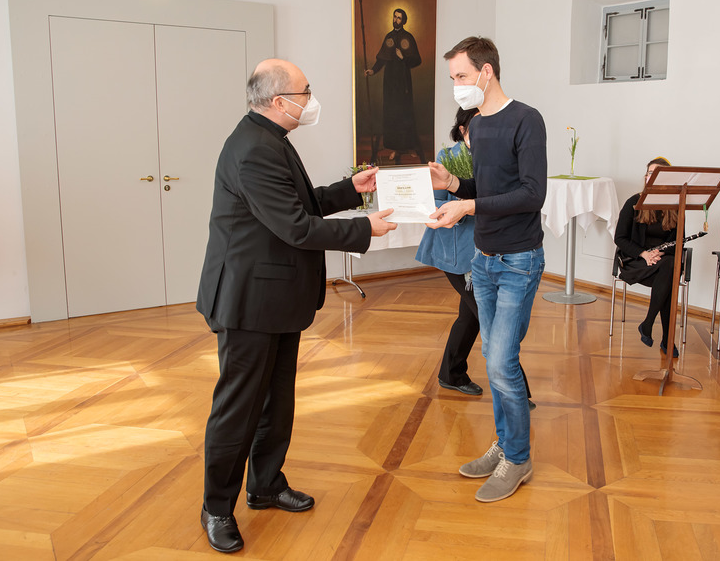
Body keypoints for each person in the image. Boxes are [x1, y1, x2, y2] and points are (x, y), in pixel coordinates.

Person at [196, 58, 397, 554]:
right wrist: (364, 228)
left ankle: (265, 485)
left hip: (275, 297)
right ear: (278, 100)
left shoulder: (271, 138)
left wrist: (350, 191)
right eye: (305, 92)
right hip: (248, 301)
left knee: (275, 401)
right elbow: (296, 227)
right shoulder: (253, 150)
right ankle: (216, 508)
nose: (311, 100)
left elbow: (299, 204)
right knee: (238, 409)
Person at [428, 36, 547, 503]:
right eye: (453, 78)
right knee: (495, 362)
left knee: (501, 361)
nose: (456, 85)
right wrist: (455, 184)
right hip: (483, 259)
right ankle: (504, 445)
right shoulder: (476, 124)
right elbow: (490, 187)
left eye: (460, 75)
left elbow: (532, 194)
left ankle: (518, 458)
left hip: (518, 260)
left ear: (486, 72)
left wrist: (469, 205)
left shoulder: (526, 119)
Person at [416, 107, 535, 404]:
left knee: (470, 316)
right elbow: (434, 208)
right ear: (463, 130)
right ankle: (517, 394)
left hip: (491, 251)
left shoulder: (497, 157)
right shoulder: (447, 158)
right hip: (458, 255)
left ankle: (451, 373)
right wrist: (466, 207)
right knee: (492, 319)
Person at [613, 157, 681, 358]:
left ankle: (649, 323)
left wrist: (660, 253)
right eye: (649, 173)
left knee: (669, 266)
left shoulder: (675, 207)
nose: (650, 176)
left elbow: (677, 242)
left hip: (661, 261)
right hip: (635, 262)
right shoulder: (633, 202)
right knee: (669, 275)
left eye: (656, 173)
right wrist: (644, 254)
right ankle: (665, 339)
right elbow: (620, 238)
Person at [364, 8, 426, 164]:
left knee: (404, 114)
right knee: (391, 113)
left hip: (403, 81)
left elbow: (417, 60)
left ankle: (407, 147)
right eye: (395, 17)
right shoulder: (389, 37)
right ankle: (393, 147)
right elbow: (382, 59)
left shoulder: (408, 37)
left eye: (399, 18)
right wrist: (373, 70)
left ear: (403, 21)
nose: (396, 20)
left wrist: (403, 57)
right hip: (390, 81)